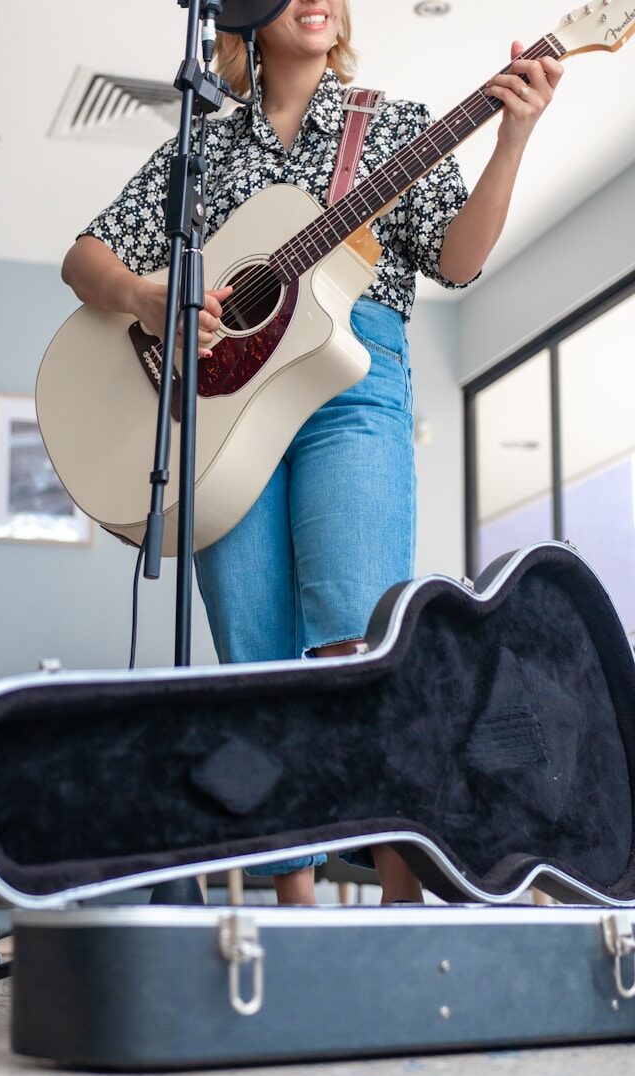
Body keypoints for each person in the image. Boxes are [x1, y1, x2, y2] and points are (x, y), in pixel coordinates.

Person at [62, 0, 563, 906]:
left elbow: (454, 262)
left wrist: (512, 141)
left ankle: (400, 903)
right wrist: (148, 298)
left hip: (352, 378)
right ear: (246, 14)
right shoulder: (201, 146)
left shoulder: (392, 125)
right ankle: (293, 915)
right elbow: (85, 256)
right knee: (256, 653)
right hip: (223, 411)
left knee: (359, 637)